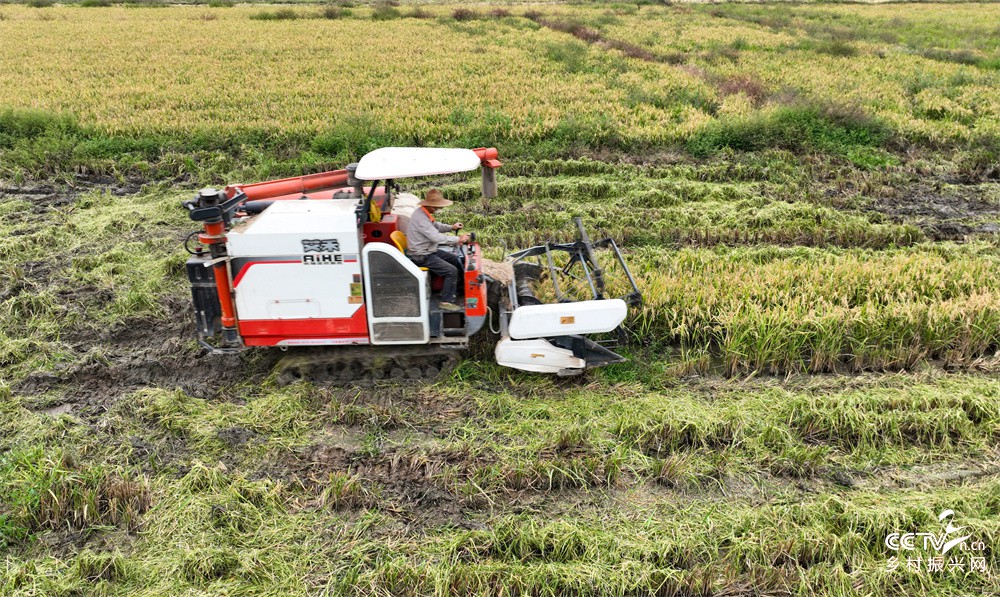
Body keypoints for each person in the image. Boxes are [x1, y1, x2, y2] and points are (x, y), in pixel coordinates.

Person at [406, 189, 469, 312]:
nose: (438, 209)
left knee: (454, 260)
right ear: (428, 205)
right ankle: (446, 301)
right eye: (436, 207)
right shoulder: (421, 219)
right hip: (421, 255)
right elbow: (436, 237)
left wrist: (451, 227)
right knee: (451, 271)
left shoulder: (423, 214)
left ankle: (454, 289)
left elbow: (436, 226)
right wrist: (458, 239)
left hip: (429, 250)